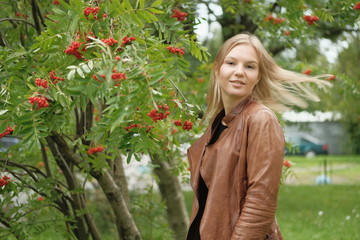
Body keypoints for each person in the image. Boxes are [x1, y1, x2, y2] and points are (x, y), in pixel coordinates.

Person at [186, 33, 330, 240]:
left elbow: (261, 202)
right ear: (217, 69)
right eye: (231, 63)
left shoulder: (260, 119)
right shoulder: (218, 123)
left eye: (249, 66)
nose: (239, 72)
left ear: (258, 77)